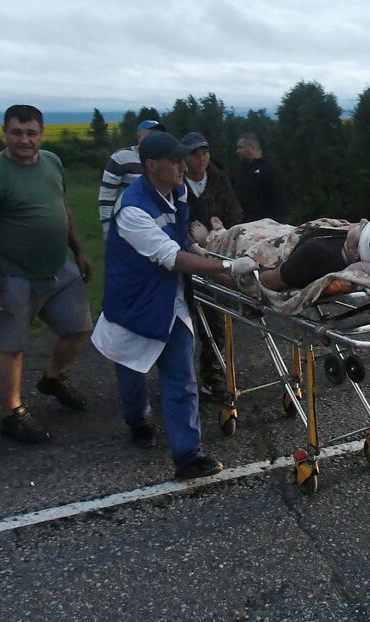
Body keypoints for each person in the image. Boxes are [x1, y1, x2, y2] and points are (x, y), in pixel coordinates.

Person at [92, 131, 256, 480]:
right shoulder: (133, 209)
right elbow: (170, 257)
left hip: (170, 300)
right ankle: (138, 421)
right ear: (152, 166)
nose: (185, 166)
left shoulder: (175, 192)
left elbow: (180, 241)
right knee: (132, 378)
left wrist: (208, 253)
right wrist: (227, 266)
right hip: (135, 305)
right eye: (177, 160)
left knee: (182, 380)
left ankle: (188, 456)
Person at [0, 105, 95, 444]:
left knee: (79, 329)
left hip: (57, 268)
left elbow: (61, 207)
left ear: (41, 134)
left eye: (31, 133)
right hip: (11, 274)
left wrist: (78, 248)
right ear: (5, 132)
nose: (24, 140)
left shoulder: (52, 162)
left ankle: (52, 377)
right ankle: (12, 414)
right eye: (17, 132)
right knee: (12, 346)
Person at [180, 131, 243, 399]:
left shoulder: (218, 179)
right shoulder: (176, 182)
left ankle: (212, 376)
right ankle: (179, 377)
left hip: (217, 257)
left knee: (215, 321)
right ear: (184, 156)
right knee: (182, 325)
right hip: (183, 260)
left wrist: (217, 237)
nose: (202, 157)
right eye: (195, 152)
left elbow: (235, 214)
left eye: (205, 151)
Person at [255, 219, 370, 292]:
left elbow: (269, 281)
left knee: (238, 231)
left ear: (356, 252)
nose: (362, 220)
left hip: (267, 239)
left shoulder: (316, 253)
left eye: (363, 227)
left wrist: (253, 274)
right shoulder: (347, 245)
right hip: (284, 229)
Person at [98, 119, 167, 235]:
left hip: (156, 225)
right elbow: (106, 197)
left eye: (158, 135)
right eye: (150, 134)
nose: (154, 138)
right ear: (138, 137)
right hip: (126, 225)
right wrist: (107, 229)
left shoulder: (163, 160)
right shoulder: (120, 158)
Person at [230, 132, 287, 223]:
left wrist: (274, 225)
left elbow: (278, 202)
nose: (238, 151)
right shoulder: (238, 170)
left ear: (252, 147)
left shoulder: (270, 169)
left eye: (241, 147)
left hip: (264, 227)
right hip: (242, 226)